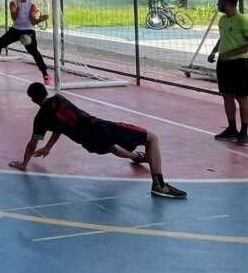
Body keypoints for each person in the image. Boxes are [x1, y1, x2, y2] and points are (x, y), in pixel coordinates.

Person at [10, 82, 186, 199]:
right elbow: (59, 124)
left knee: (113, 149)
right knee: (152, 138)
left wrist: (26, 162)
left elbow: (36, 141)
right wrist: (48, 146)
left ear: (32, 100)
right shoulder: (59, 99)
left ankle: (136, 156)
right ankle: (159, 185)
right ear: (46, 92)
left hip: (89, 143)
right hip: (99, 128)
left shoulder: (41, 119)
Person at [209, 0, 248, 145]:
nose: (218, 4)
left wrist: (230, 54)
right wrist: (214, 51)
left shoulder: (242, 21)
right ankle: (232, 128)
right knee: (227, 96)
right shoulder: (223, 20)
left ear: (226, 3)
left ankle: (244, 132)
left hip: (239, 64)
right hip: (224, 64)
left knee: (241, 97)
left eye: (219, 1)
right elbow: (223, 37)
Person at [0, 0, 51, 85]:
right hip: (16, 30)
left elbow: (32, 21)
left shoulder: (32, 5)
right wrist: (18, 8)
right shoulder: (13, 3)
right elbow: (14, 17)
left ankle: (45, 74)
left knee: (34, 52)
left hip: (28, 30)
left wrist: (39, 20)